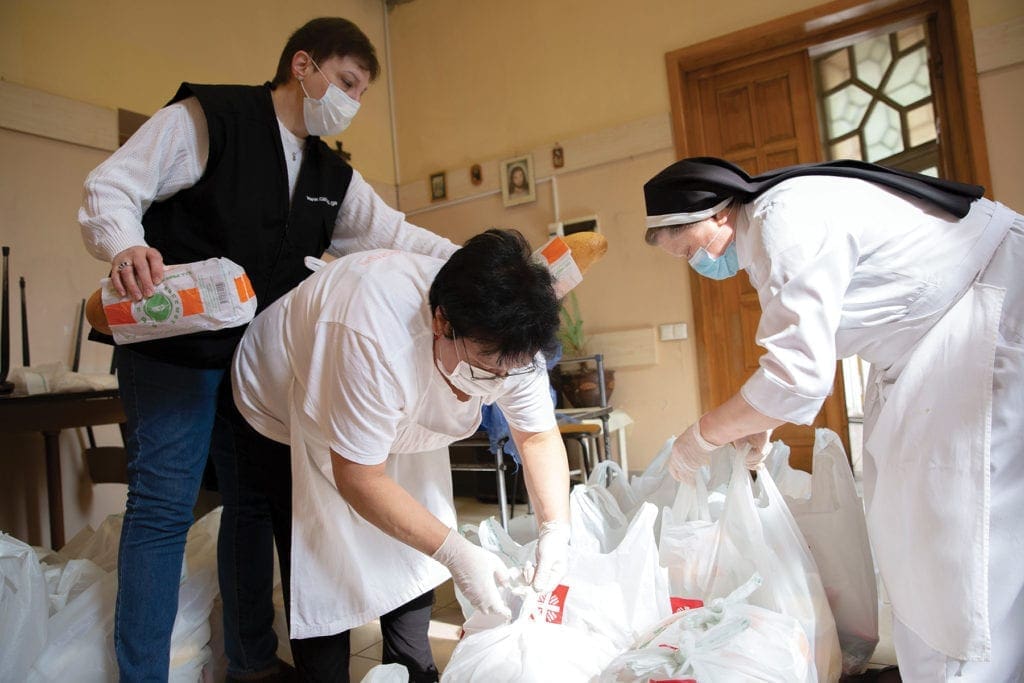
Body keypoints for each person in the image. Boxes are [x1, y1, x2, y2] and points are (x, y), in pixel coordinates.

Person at [77, 17, 458, 682]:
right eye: (346, 82)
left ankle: (250, 659)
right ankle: (144, 675)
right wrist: (124, 244)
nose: (352, 102)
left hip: (255, 365)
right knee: (163, 510)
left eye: (362, 93)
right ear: (302, 65)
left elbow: (394, 237)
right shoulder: (211, 119)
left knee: (252, 504)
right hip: (175, 350)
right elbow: (113, 185)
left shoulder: (329, 173)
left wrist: (477, 262)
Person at [643, 156, 1023, 682]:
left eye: (689, 249)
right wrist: (761, 419)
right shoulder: (768, 230)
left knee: (958, 532)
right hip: (925, 346)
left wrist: (700, 436)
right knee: (909, 524)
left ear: (718, 215)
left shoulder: (783, 221)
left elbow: (795, 377)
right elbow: (804, 349)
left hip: (980, 319)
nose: (696, 264)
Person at [231, 228, 572, 681]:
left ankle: (413, 667)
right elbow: (358, 477)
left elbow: (538, 437)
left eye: (506, 372)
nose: (496, 382)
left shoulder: (514, 342)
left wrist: (556, 528)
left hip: (402, 405)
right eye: (485, 368)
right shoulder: (370, 332)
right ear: (441, 322)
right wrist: (458, 554)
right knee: (324, 550)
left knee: (416, 541)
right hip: (286, 399)